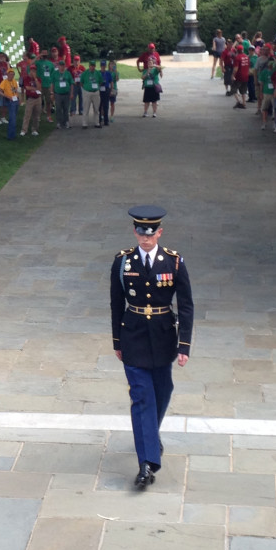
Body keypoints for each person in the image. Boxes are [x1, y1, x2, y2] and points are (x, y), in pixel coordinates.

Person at [110, 205, 193, 489]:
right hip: (133, 337)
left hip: (163, 336)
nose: (145, 239)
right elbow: (115, 304)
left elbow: (185, 305)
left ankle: (149, 435)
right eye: (140, 233)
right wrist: (116, 341)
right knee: (142, 396)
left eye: (151, 233)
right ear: (135, 232)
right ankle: (146, 464)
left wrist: (184, 345)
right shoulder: (123, 262)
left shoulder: (174, 262)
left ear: (159, 232)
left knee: (163, 390)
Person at [0, 66, 19, 140]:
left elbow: (16, 90)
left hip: (15, 100)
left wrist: (19, 98)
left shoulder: (14, 81)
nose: (12, 75)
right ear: (7, 74)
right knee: (12, 119)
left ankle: (13, 134)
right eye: (10, 74)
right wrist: (6, 96)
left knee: (14, 117)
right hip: (10, 101)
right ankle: (10, 136)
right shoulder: (4, 82)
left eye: (13, 74)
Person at [20, 63, 42, 136]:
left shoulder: (38, 79)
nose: (33, 72)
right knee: (27, 115)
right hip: (30, 99)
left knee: (36, 115)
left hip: (38, 98)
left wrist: (35, 79)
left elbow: (39, 87)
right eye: (32, 70)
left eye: (34, 70)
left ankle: (35, 129)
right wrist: (35, 89)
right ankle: (24, 130)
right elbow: (27, 87)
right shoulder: (26, 78)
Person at [50, 59, 73, 129]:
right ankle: (59, 122)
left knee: (66, 108)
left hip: (66, 93)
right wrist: (52, 93)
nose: (62, 67)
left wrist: (71, 93)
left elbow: (71, 83)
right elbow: (52, 83)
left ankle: (66, 121)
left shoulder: (68, 73)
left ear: (64, 66)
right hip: (58, 93)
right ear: (58, 66)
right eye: (60, 65)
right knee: (58, 108)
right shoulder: (55, 73)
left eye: (63, 65)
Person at [80, 60, 102, 128]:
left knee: (96, 108)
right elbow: (81, 82)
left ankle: (97, 123)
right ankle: (84, 123)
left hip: (95, 92)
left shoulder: (98, 73)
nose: (92, 67)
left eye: (93, 66)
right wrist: (86, 89)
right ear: (89, 66)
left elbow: (100, 82)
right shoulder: (85, 73)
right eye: (91, 66)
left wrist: (97, 87)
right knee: (86, 108)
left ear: (95, 66)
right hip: (87, 92)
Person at [36, 50, 55, 123]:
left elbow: (52, 74)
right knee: (39, 102)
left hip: (48, 85)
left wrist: (51, 85)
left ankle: (48, 116)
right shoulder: (38, 63)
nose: (44, 55)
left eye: (45, 53)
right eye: (43, 53)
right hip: (40, 85)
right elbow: (30, 64)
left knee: (48, 102)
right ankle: (38, 116)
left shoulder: (50, 64)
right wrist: (38, 56)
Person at [98, 59, 113, 126]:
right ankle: (99, 119)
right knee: (99, 106)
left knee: (106, 106)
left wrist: (111, 90)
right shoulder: (98, 73)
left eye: (104, 65)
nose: (103, 67)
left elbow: (111, 82)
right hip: (99, 90)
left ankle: (106, 121)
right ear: (100, 66)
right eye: (102, 65)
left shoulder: (108, 73)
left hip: (106, 89)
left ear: (106, 66)